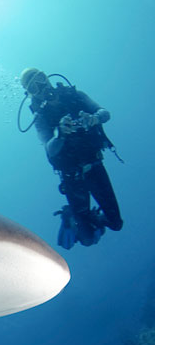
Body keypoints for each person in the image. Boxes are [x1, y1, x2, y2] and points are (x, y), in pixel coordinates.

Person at [19, 67, 123, 250]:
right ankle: (70, 216)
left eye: (41, 79)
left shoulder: (76, 96)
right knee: (87, 239)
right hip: (72, 177)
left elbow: (104, 112)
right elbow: (49, 148)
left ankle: (93, 218)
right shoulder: (41, 117)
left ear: (48, 77)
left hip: (95, 166)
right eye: (34, 87)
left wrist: (94, 118)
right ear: (31, 94)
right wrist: (60, 134)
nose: (42, 87)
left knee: (116, 224)